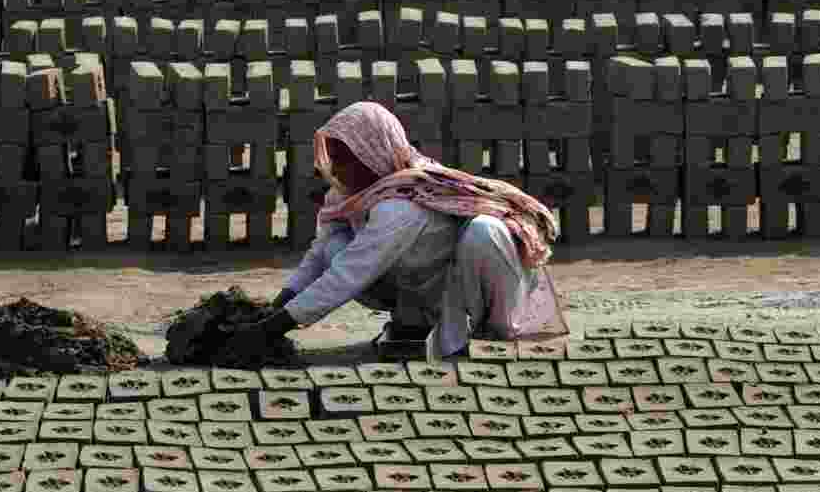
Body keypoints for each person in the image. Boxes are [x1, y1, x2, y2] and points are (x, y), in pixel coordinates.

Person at [230, 101, 569, 360]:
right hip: (430, 285)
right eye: (333, 158)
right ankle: (417, 321)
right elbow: (319, 254)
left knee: (484, 231)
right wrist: (276, 307)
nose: (336, 169)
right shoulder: (349, 194)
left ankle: (490, 333)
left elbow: (349, 276)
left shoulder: (402, 201)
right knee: (336, 249)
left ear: (372, 153)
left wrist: (271, 329)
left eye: (345, 158)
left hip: (485, 289)